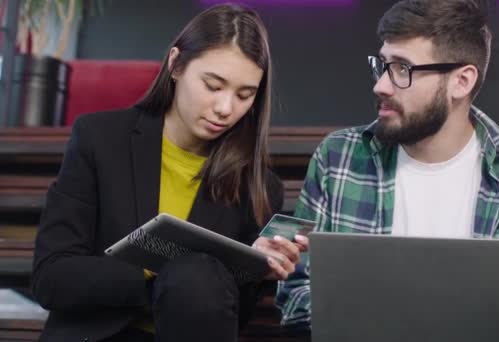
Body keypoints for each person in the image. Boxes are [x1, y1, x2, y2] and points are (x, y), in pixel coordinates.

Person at [276, 0, 499, 340]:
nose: (381, 85)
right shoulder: (337, 159)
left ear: (461, 81)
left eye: (402, 68)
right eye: (382, 65)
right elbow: (295, 292)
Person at [32, 4, 308, 342]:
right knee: (192, 270)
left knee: (198, 275)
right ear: (176, 65)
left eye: (244, 95)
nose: (225, 108)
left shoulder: (258, 186)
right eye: (212, 85)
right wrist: (157, 265)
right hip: (98, 335)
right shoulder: (100, 140)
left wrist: (256, 268)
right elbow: (52, 278)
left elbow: (229, 320)